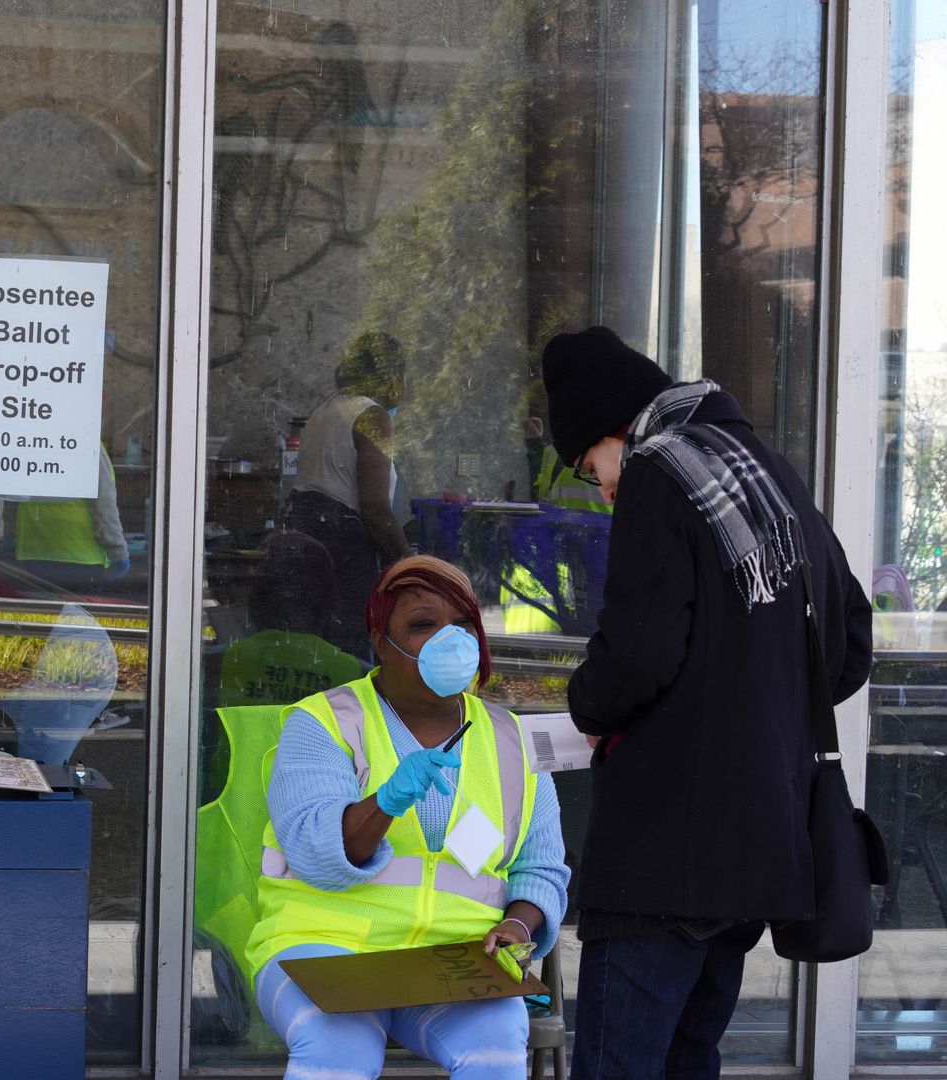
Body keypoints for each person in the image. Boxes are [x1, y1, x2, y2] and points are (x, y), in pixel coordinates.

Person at [541, 325, 872, 1079]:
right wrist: (759, 709)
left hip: (666, 853)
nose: (604, 489)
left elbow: (635, 658)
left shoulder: (660, 472)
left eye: (591, 469)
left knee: (615, 1064)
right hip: (761, 851)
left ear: (610, 428)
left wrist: (585, 705)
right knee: (690, 1061)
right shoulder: (769, 471)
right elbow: (848, 643)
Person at [244, 555, 568, 1077]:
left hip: (454, 960)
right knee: (340, 1047)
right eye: (423, 625)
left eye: (463, 625)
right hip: (326, 948)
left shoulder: (514, 739)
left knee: (498, 1049)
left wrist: (516, 923)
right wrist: (385, 803)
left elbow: (542, 867)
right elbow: (313, 854)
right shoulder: (324, 721)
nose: (451, 640)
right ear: (380, 642)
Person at [283, 330, 411, 656]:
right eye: (403, 374)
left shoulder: (326, 409)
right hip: (342, 547)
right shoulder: (372, 416)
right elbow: (374, 508)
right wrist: (409, 559)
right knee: (346, 655)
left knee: (315, 652)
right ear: (389, 376)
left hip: (306, 531)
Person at [13, 442, 130, 590]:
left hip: (33, 552)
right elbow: (104, 507)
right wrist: (118, 552)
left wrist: (11, 537)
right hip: (81, 555)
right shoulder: (86, 443)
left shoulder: (29, 442)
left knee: (41, 611)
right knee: (77, 612)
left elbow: (11, 494)